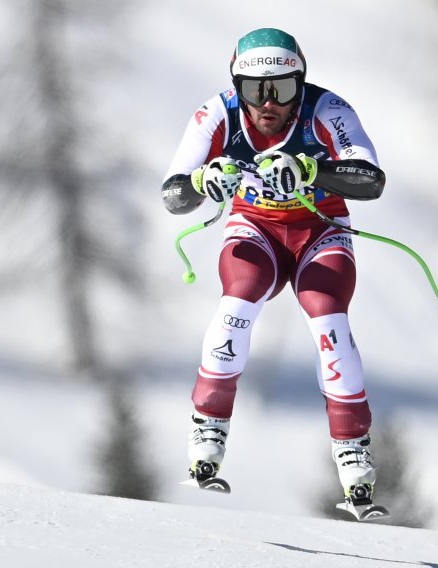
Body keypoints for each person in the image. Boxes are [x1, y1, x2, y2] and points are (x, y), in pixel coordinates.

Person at [161, 28, 386, 504]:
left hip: (319, 229)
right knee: (238, 299)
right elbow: (173, 194)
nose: (268, 104)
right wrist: (203, 178)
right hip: (255, 228)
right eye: (254, 90)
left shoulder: (328, 110)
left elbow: (370, 178)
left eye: (282, 90)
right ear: (235, 86)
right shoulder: (215, 114)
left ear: (300, 84)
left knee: (327, 314)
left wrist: (311, 170)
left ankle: (351, 446)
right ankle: (208, 425)